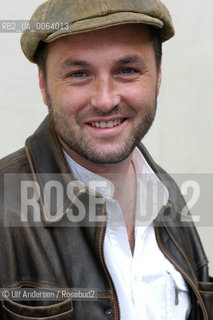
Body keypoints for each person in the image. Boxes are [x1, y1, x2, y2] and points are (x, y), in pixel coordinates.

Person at [0, 0, 212, 319]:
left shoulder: (169, 193)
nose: (105, 100)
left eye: (127, 70)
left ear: (158, 76)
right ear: (44, 86)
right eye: (79, 73)